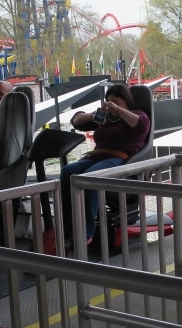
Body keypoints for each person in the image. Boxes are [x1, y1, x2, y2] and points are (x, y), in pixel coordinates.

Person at [60, 83, 150, 245]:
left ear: (126, 101)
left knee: (91, 177)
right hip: (98, 156)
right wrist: (93, 116)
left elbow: (141, 124)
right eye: (109, 102)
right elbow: (76, 120)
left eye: (115, 102)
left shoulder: (136, 115)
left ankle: (86, 232)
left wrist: (119, 110)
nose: (111, 106)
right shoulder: (107, 117)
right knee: (68, 171)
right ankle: (68, 227)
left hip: (120, 160)